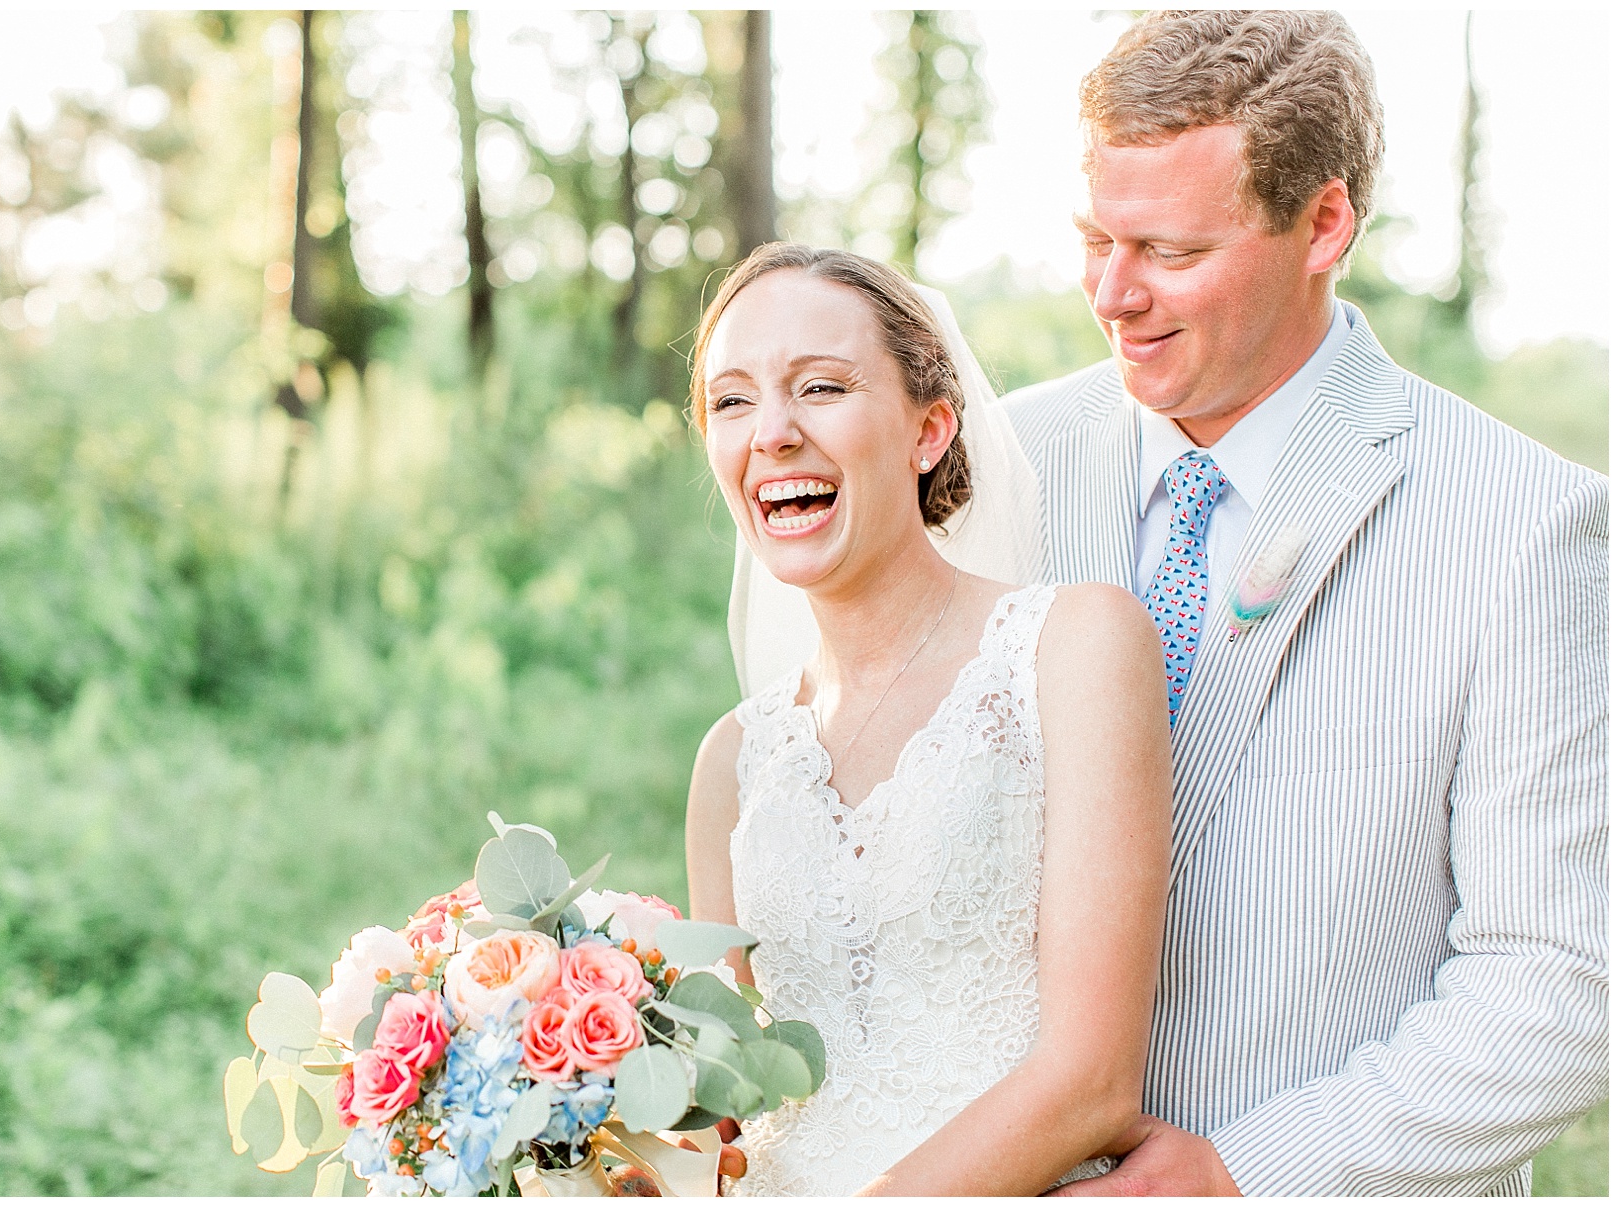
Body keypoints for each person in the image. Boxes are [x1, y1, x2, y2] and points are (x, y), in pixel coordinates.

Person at [997, 10, 1607, 1196]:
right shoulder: (992, 467)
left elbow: (1561, 984)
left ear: (1325, 221)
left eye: (1169, 251)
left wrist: (1237, 1174)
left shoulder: (1527, 526)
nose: (1112, 294)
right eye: (1093, 239)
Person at [683, 241, 1175, 1195]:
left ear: (930, 430)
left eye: (820, 387)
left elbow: (1092, 1081)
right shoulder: (733, 760)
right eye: (733, 400)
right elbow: (725, 1107)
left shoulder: (1073, 648)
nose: (771, 432)